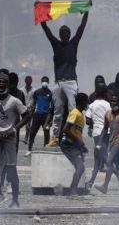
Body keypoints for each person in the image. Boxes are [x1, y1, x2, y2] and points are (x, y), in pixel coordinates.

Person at [40, 10, 89, 147]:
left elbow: (81, 27)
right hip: (58, 82)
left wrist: (86, 12)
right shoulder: (56, 44)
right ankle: (55, 138)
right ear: (60, 35)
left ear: (70, 35)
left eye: (67, 33)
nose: (65, 35)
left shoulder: (73, 44)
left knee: (74, 111)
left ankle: (76, 136)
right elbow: (46, 29)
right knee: (58, 112)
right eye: (63, 33)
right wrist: (40, 13)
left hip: (71, 81)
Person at [0, 72, 29, 208]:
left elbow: (27, 116)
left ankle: (15, 200)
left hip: (9, 139)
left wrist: (13, 129)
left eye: (4, 82)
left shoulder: (14, 101)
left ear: (8, 85)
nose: (1, 84)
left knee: (11, 170)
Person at [86, 86, 119, 189]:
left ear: (96, 94)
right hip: (107, 132)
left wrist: (94, 120)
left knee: (104, 158)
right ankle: (91, 182)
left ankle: (118, 174)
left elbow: (87, 120)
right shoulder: (108, 105)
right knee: (97, 158)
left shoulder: (92, 105)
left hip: (98, 133)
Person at [59, 92, 89, 198]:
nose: (87, 104)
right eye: (86, 101)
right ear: (82, 102)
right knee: (80, 167)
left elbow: (77, 132)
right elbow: (66, 129)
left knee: (80, 167)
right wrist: (78, 141)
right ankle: (72, 192)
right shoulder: (75, 113)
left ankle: (71, 192)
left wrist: (81, 146)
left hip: (74, 145)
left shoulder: (80, 114)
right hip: (67, 144)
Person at [26, 76, 53, 156]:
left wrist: (50, 120)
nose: (45, 82)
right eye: (43, 81)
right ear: (41, 82)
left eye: (46, 81)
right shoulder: (37, 92)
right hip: (37, 115)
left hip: (46, 116)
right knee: (32, 132)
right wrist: (30, 116)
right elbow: (34, 104)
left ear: (48, 83)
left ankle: (45, 148)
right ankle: (29, 149)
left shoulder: (50, 93)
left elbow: (52, 107)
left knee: (46, 133)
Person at [21, 75, 35, 145]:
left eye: (30, 81)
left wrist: (32, 108)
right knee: (23, 123)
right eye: (27, 80)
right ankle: (30, 137)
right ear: (25, 81)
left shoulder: (34, 90)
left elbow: (34, 100)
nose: (28, 82)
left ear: (31, 81)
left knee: (28, 124)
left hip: (30, 109)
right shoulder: (21, 90)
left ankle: (27, 138)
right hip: (22, 109)